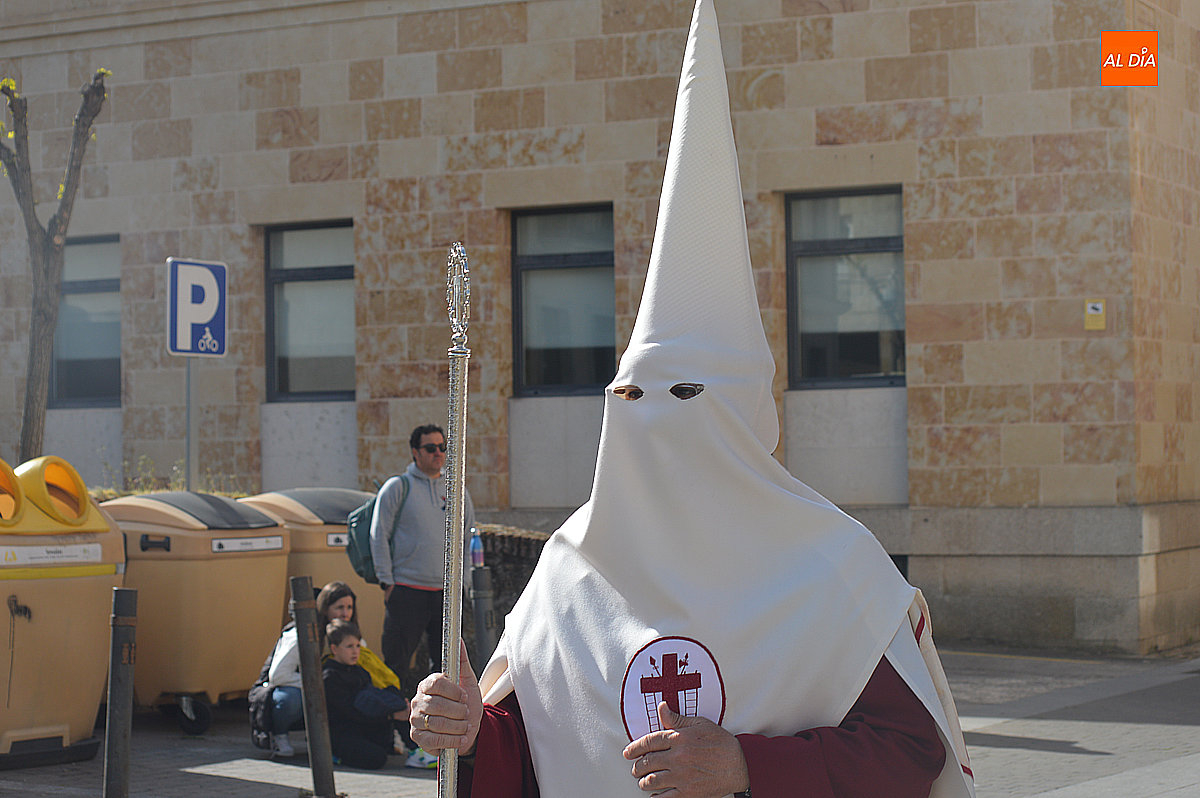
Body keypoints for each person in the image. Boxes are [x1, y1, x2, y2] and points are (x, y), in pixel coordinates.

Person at [406, 2, 974, 797]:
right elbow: (535, 748)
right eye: (631, 395)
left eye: (684, 395)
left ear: (739, 418)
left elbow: (909, 750)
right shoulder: (572, 571)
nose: (651, 417)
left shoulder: (833, 568)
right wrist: (471, 730)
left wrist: (747, 765)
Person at [369, 424, 475, 696]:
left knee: (447, 669)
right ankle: (394, 719)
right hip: (407, 591)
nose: (438, 453)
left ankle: (440, 720)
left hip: (446, 595)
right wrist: (387, 582)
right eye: (430, 448)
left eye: (442, 447)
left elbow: (466, 538)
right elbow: (379, 535)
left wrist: (463, 584)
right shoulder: (397, 488)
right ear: (415, 452)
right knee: (396, 665)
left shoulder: (456, 489)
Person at [256, 580, 405, 760]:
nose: (345, 613)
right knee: (289, 699)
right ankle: (280, 736)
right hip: (296, 689)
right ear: (325, 608)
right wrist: (320, 684)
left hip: (335, 694)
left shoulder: (351, 634)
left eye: (349, 607)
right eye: (339, 607)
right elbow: (278, 676)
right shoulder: (299, 634)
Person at [322, 619, 409, 770]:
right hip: (342, 731)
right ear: (334, 649)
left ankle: (415, 748)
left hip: (362, 726)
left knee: (393, 696)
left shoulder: (360, 671)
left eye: (357, 646)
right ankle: (337, 756)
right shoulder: (330, 676)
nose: (355, 651)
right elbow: (350, 712)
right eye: (349, 646)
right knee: (376, 758)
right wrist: (391, 715)